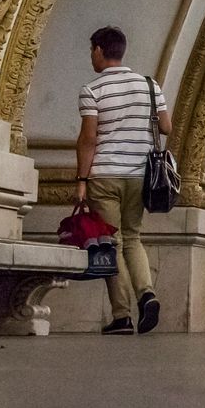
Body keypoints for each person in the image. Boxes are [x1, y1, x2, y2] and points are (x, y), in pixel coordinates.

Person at [75, 26, 170, 336]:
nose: (92, 57)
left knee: (110, 244)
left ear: (101, 50)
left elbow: (89, 138)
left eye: (92, 51)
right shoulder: (150, 85)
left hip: (104, 176)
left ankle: (122, 316)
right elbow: (166, 127)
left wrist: (81, 180)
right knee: (133, 238)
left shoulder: (92, 90)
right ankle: (147, 293)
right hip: (139, 175)